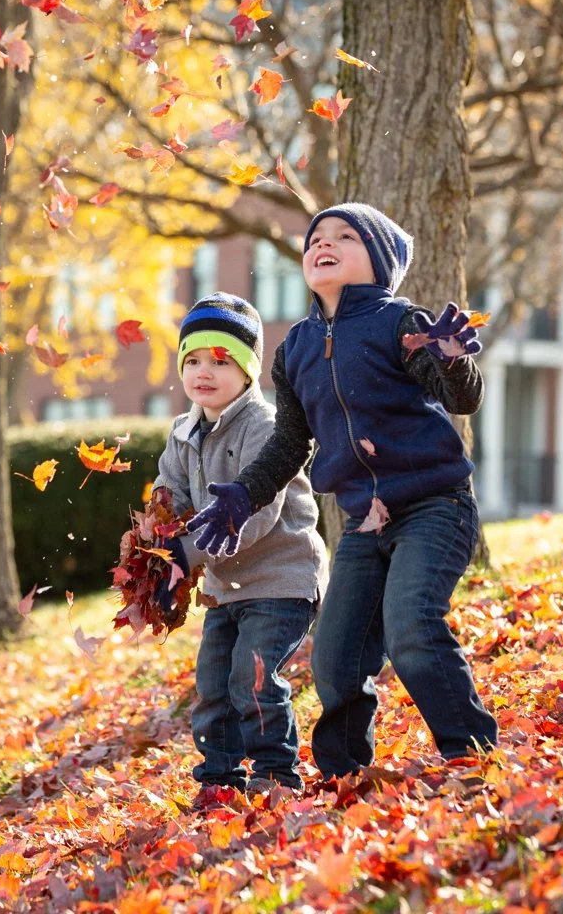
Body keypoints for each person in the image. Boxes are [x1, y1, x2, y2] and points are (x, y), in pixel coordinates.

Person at [186, 204, 498, 779]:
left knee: (412, 630)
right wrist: (241, 497)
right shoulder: (297, 348)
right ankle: (345, 774)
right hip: (363, 523)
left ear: (377, 262)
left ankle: (470, 756)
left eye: (345, 237)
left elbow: (461, 399)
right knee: (334, 660)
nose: (323, 245)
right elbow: (288, 445)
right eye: (315, 240)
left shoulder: (402, 323)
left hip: (434, 506)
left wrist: (453, 362)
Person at [150, 292, 329, 799]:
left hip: (281, 576)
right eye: (193, 360)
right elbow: (173, 493)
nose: (204, 371)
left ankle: (275, 772)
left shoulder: (266, 426)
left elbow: (258, 515)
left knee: (252, 677)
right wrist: (162, 547)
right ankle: (219, 777)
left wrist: (191, 553)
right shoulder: (183, 431)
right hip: (226, 586)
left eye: (220, 360)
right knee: (212, 687)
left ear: (249, 369)